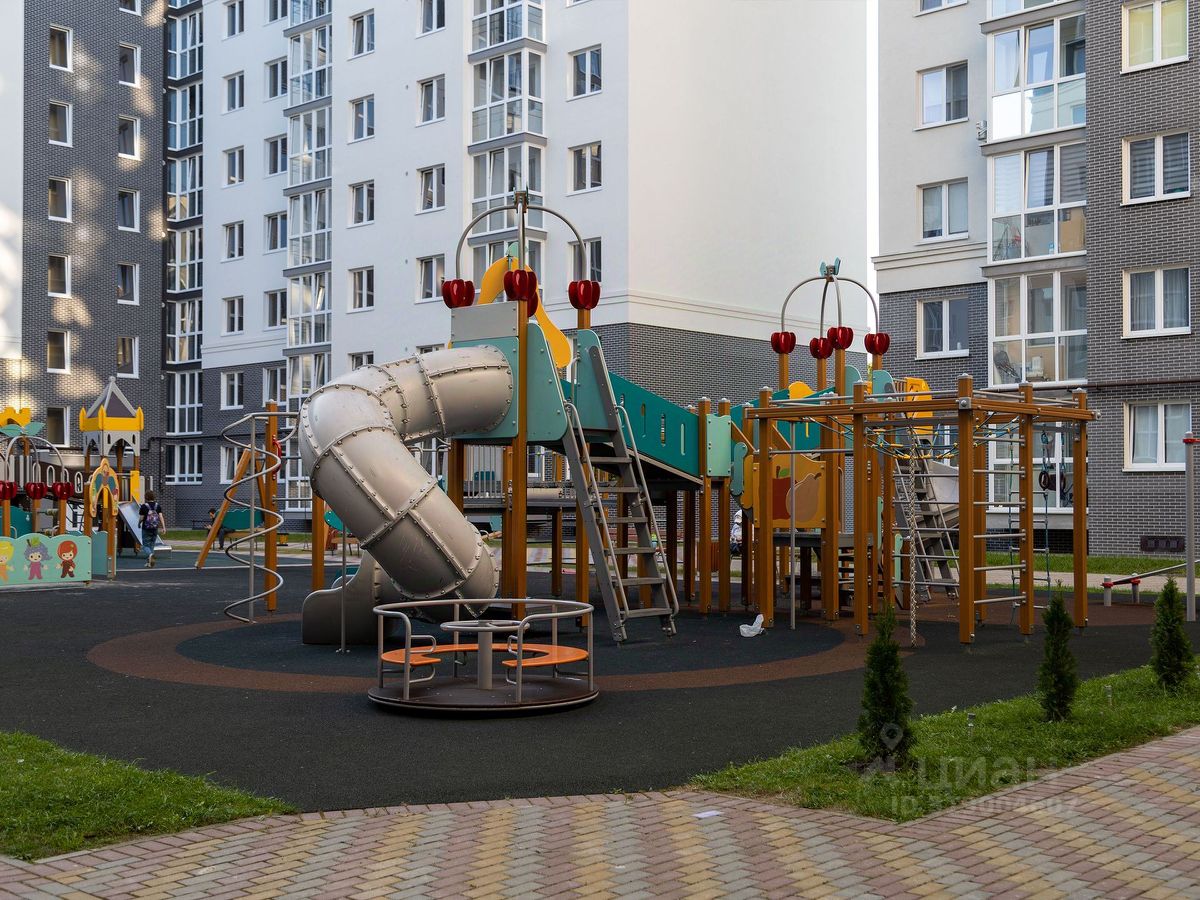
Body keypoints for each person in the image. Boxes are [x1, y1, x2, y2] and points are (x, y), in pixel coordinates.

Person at [139, 490, 166, 568]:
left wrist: (139, 523)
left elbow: (141, 518)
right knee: (151, 545)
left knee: (145, 546)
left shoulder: (144, 506)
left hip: (146, 528)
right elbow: (161, 517)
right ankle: (149, 563)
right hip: (155, 528)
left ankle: (150, 555)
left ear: (146, 497)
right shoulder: (158, 506)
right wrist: (164, 527)